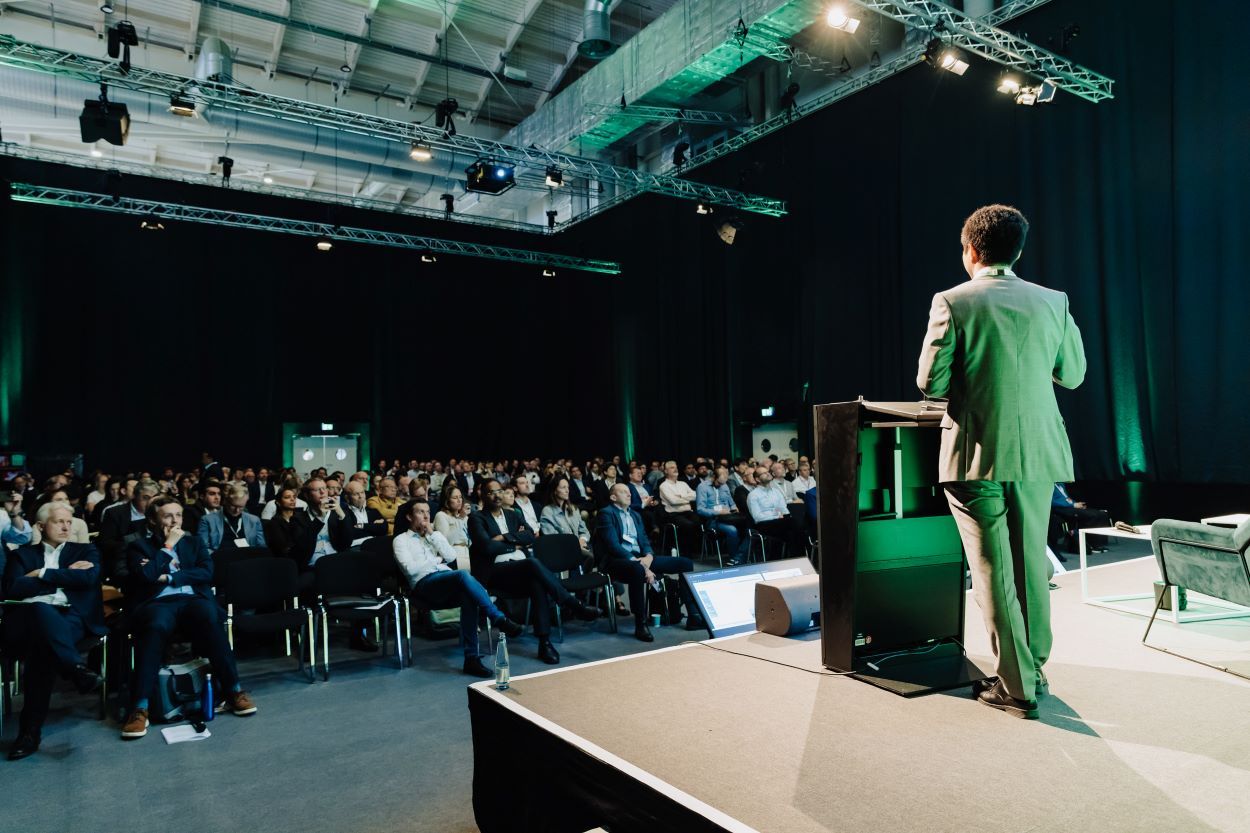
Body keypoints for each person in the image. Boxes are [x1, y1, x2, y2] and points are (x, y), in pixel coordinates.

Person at [917, 203, 1085, 719]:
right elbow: (1073, 374)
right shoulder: (1053, 301)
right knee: (1031, 561)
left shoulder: (952, 301)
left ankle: (1017, 686)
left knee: (992, 569)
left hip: (974, 453)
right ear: (1017, 251)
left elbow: (930, 384)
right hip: (1038, 452)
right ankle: (1033, 665)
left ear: (970, 250)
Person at [120, 496, 257, 740]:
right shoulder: (137, 546)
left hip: (192, 600)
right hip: (158, 603)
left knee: (209, 617)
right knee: (154, 626)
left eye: (178, 515)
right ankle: (139, 707)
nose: (175, 521)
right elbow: (147, 575)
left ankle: (234, 691)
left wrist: (170, 578)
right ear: (152, 520)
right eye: (168, 516)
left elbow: (206, 572)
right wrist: (168, 548)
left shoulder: (194, 542)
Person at [2, 501, 106, 760]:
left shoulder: (86, 550)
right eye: (59, 521)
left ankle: (29, 733)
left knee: (43, 650)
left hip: (70, 617)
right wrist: (62, 577)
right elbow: (12, 589)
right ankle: (75, 669)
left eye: (69, 522)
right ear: (40, 526)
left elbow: (88, 579)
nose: (66, 526)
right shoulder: (21, 556)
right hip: (26, 619)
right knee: (39, 611)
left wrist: (43, 574)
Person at [468, 479, 599, 665]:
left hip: (519, 569)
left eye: (499, 491)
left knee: (536, 581)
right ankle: (571, 603)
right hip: (495, 574)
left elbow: (529, 535)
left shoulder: (512, 514)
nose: (496, 495)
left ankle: (544, 642)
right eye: (491, 492)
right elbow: (486, 547)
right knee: (532, 564)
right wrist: (514, 544)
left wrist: (504, 537)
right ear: (482, 495)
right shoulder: (476, 518)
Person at [393, 499, 523, 677]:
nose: (425, 516)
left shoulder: (433, 536)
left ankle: (471, 659)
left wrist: (433, 535)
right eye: (420, 512)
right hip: (424, 586)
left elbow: (451, 556)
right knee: (462, 575)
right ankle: (498, 618)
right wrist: (436, 561)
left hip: (445, 581)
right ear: (409, 516)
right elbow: (411, 569)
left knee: (468, 595)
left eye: (427, 512)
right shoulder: (401, 540)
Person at [596, 483, 700, 641]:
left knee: (685, 563)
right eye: (623, 492)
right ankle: (640, 624)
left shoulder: (635, 515)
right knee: (637, 570)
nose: (629, 494)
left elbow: (644, 540)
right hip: (617, 560)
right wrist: (640, 563)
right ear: (613, 497)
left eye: (629, 491)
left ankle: (693, 615)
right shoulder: (606, 513)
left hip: (641, 557)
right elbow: (613, 545)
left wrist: (649, 556)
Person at [746, 466, 805, 556]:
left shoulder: (776, 492)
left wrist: (783, 516)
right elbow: (757, 517)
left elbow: (784, 510)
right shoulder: (753, 495)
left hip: (780, 523)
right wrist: (776, 516)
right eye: (764, 473)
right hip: (763, 524)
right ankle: (800, 559)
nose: (768, 473)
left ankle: (794, 560)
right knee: (794, 524)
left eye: (768, 471)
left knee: (792, 532)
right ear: (757, 479)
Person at [696, 465, 748, 564]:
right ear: (714, 477)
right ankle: (735, 558)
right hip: (713, 519)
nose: (720, 485)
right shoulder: (702, 487)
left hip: (728, 517)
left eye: (722, 483)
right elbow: (700, 509)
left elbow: (731, 503)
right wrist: (718, 512)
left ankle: (739, 557)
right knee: (732, 530)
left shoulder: (724, 486)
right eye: (718, 483)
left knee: (748, 526)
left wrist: (734, 508)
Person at [198, 481, 267, 554]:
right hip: (221, 559)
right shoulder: (208, 520)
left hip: (247, 559)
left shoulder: (254, 520)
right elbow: (203, 548)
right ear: (226, 501)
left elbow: (261, 547)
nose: (237, 510)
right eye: (233, 506)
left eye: (241, 507)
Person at [539, 475, 593, 566]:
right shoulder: (547, 511)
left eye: (567, 487)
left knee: (590, 552)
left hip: (579, 546)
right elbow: (552, 537)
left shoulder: (573, 508)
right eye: (563, 487)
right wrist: (575, 544)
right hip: (561, 549)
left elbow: (583, 530)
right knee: (588, 556)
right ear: (555, 490)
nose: (567, 490)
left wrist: (582, 540)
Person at [1050, 483, 1111, 556]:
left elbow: (1066, 498)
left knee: (1100, 514)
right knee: (1091, 516)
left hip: (1069, 507)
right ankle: (1091, 545)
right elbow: (1051, 501)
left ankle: (1099, 544)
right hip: (1059, 509)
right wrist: (1073, 505)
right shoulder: (1049, 486)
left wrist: (1076, 504)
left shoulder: (1061, 485)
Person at [657, 461, 701, 553]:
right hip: (673, 514)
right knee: (688, 525)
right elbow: (673, 501)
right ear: (666, 471)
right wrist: (687, 498)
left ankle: (696, 550)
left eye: (676, 467)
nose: (675, 469)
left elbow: (696, 495)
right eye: (672, 467)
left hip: (688, 512)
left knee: (700, 521)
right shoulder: (663, 486)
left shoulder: (683, 484)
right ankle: (685, 552)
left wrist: (680, 496)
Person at [433, 485, 472, 570]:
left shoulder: (464, 516)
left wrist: (462, 517)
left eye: (460, 497)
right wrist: (461, 518)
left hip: (468, 552)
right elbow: (446, 542)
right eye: (455, 498)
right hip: (454, 555)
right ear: (447, 500)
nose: (459, 500)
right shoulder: (441, 515)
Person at [340, 480, 387, 548]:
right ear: (347, 498)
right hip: (356, 548)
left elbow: (384, 529)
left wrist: (363, 526)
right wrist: (373, 528)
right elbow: (350, 534)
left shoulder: (373, 511)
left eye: (362, 492)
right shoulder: (344, 513)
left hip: (375, 545)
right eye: (356, 494)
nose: (360, 496)